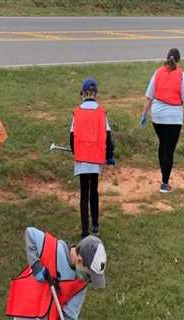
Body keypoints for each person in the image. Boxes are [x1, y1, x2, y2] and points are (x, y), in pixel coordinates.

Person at [6, 227, 107, 320]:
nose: (88, 280)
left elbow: (70, 314)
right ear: (80, 260)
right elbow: (30, 233)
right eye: (88, 276)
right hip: (26, 311)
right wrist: (36, 266)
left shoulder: (81, 284)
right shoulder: (53, 249)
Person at [140, 48, 184, 193]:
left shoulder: (157, 73)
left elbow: (149, 96)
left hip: (157, 116)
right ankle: (164, 183)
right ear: (178, 60)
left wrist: (144, 114)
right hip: (174, 117)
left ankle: (163, 177)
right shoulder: (181, 74)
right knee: (169, 149)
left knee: (163, 144)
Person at [70, 78, 115, 239]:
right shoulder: (101, 112)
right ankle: (95, 225)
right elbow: (108, 137)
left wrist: (75, 152)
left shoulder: (77, 112)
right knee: (94, 191)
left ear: (83, 94)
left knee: (84, 193)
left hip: (82, 159)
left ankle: (84, 231)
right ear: (95, 94)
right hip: (95, 159)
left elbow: (72, 136)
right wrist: (110, 155)